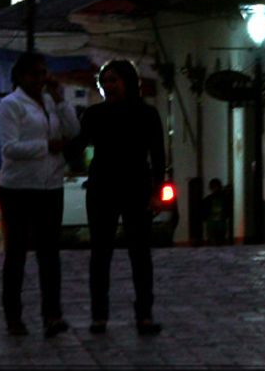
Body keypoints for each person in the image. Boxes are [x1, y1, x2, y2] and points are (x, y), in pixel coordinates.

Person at [77, 59, 166, 336]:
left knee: (139, 254)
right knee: (100, 253)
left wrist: (157, 191)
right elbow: (78, 146)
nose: (108, 86)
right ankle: (99, 316)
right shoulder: (94, 115)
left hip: (136, 187)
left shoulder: (147, 114)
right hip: (102, 188)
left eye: (113, 80)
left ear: (128, 81)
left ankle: (144, 315)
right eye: (104, 81)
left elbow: (158, 155)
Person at [0, 51, 79, 338]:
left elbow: (73, 131)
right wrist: (47, 146)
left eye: (43, 73)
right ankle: (13, 316)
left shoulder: (48, 102)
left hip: (50, 185)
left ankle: (52, 314)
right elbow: (10, 148)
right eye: (34, 74)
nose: (40, 79)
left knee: (49, 254)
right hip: (18, 188)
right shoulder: (10, 105)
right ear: (20, 77)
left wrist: (60, 100)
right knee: (17, 252)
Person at [202, 178, 230, 245]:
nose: (215, 189)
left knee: (218, 239)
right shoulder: (209, 199)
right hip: (214, 222)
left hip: (218, 222)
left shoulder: (209, 199)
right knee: (216, 240)